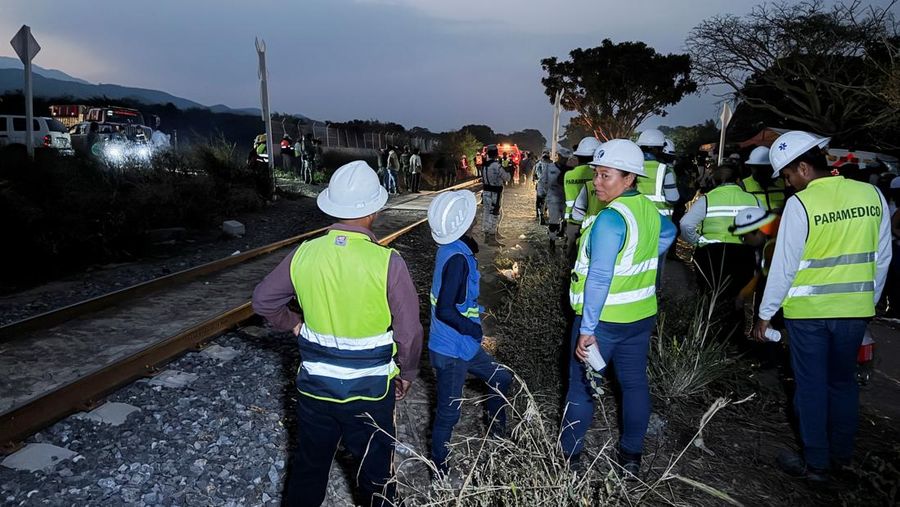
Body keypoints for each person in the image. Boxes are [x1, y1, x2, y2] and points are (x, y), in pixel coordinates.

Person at [251, 161, 424, 506]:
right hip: (371, 393)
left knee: (308, 470)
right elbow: (410, 331)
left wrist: (294, 324)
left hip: (316, 390)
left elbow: (263, 301)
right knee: (376, 477)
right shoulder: (388, 262)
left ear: (332, 207)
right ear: (374, 210)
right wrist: (407, 373)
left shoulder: (304, 253)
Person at [751, 131, 891, 483]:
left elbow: (784, 267)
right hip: (854, 311)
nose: (788, 183)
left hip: (808, 314)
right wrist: (868, 302)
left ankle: (816, 465)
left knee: (811, 386)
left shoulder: (800, 205)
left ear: (803, 167)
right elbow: (883, 257)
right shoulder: (872, 195)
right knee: (843, 384)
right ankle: (842, 458)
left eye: (788, 176)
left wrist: (765, 315)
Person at [562, 139, 676, 477]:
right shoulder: (647, 208)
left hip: (603, 322)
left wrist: (587, 330)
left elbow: (599, 279)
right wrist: (641, 258)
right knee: (634, 385)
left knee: (581, 390)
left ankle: (569, 461)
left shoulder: (610, 219)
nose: (597, 182)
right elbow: (669, 232)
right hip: (640, 317)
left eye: (606, 175)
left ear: (629, 178)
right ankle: (631, 457)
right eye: (596, 174)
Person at [426, 190, 512, 474]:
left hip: (461, 345)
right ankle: (439, 470)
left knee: (501, 377)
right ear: (464, 222)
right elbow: (445, 309)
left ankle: (498, 437)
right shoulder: (458, 259)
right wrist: (474, 328)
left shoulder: (452, 249)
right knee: (448, 413)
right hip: (452, 349)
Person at [680, 165, 760, 336]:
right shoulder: (753, 200)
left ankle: (708, 335)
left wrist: (698, 241)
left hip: (711, 254)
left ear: (715, 182)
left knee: (709, 296)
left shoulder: (707, 199)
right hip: (742, 254)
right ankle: (734, 338)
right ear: (738, 180)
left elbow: (686, 224)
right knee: (738, 298)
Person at [563, 136, 603, 255]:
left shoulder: (568, 175)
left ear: (578, 156)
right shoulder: (599, 175)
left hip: (572, 221)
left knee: (572, 255)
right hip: (594, 222)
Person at [741, 146, 787, 212]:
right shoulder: (743, 185)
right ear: (750, 167)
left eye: (765, 168)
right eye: (758, 168)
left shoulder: (782, 183)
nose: (762, 172)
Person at [481, 145, 510, 246]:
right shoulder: (497, 166)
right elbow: (507, 178)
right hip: (495, 194)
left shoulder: (484, 165)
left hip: (486, 192)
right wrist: (507, 170)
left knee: (486, 213)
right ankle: (492, 237)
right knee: (495, 214)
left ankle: (487, 236)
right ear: (496, 154)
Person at [537, 150, 565, 248]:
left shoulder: (569, 168)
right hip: (553, 198)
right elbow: (542, 181)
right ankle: (552, 241)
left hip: (565, 198)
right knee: (553, 221)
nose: (563, 160)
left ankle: (562, 236)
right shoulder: (549, 167)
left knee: (565, 220)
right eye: (562, 157)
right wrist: (545, 192)